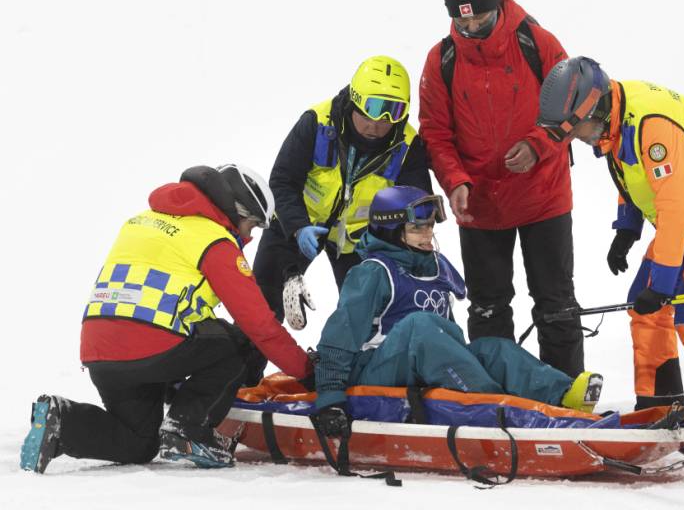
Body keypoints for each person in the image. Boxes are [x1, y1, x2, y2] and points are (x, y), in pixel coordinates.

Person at [20, 165, 313, 473]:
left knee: (139, 442)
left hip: (100, 350)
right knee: (241, 344)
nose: (249, 238)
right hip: (152, 345)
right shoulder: (214, 240)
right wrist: (307, 373)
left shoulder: (140, 221)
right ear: (237, 208)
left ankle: (61, 422)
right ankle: (188, 429)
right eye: (251, 226)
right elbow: (260, 327)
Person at [537, 57, 684, 456]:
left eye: (578, 130)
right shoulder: (616, 119)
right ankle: (661, 407)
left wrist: (661, 283)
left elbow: (672, 206)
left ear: (594, 109)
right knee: (646, 311)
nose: (579, 139)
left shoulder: (654, 126)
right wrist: (627, 228)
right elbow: (631, 175)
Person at [312, 186, 603, 436]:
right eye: (416, 228)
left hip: (422, 362)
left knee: (493, 348)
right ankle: (495, 405)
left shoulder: (435, 267)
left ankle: (563, 397)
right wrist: (330, 399)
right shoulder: (373, 273)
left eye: (429, 226)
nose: (427, 234)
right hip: (374, 371)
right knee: (421, 326)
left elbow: (446, 339)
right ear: (391, 232)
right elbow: (340, 337)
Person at [418, 0, 582, 377]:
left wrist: (537, 145)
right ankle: (500, 398)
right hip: (480, 205)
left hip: (543, 196)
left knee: (555, 302)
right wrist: (454, 181)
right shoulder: (441, 60)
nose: (472, 27)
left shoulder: (537, 42)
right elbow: (435, 134)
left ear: (496, 7)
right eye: (462, 19)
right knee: (487, 307)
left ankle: (566, 397)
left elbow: (574, 106)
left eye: (480, 18)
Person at [250, 55, 431, 384]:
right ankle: (240, 384)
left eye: (394, 112)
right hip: (298, 224)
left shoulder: (407, 144)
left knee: (366, 317)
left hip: (358, 242)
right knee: (261, 307)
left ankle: (355, 387)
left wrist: (402, 248)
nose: (380, 123)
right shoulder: (317, 122)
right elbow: (282, 181)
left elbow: (415, 204)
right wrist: (297, 227)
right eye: (374, 109)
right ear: (356, 101)